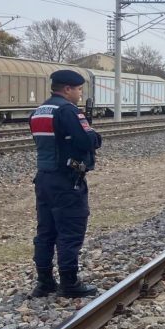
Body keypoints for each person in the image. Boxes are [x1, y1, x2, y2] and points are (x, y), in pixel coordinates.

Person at [29, 69, 102, 298]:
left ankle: (44, 282)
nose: (80, 94)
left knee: (45, 232)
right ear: (67, 89)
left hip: (44, 178)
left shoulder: (39, 111)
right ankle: (69, 283)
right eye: (79, 89)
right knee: (70, 230)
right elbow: (87, 140)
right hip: (66, 180)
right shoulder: (68, 111)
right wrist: (94, 134)